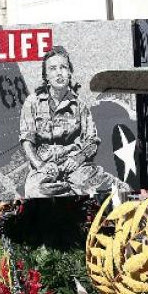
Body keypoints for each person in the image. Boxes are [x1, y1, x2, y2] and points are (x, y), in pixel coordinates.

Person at [20, 46, 128, 197]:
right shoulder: (32, 103)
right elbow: (27, 140)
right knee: (35, 193)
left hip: (77, 167)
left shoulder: (79, 105)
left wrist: (78, 158)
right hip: (44, 168)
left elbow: (92, 142)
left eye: (63, 67)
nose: (59, 73)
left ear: (69, 72)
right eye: (52, 68)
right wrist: (40, 165)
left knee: (121, 189)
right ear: (46, 75)